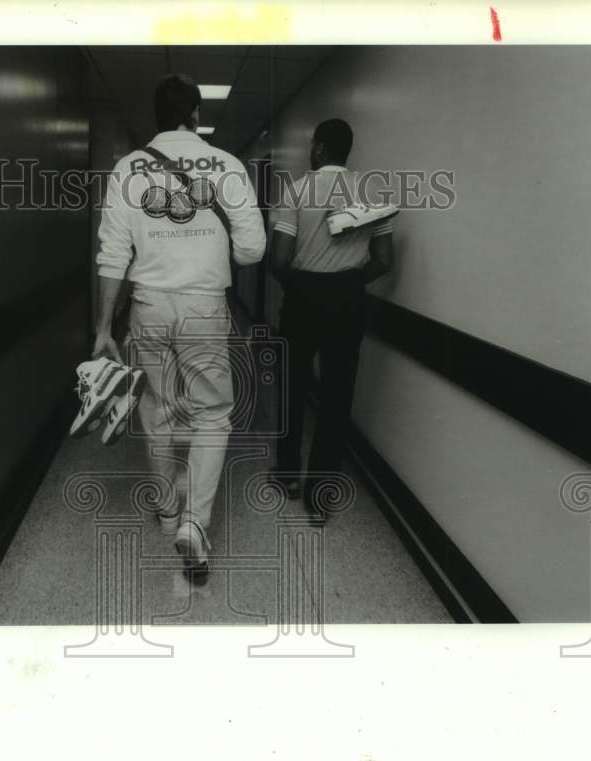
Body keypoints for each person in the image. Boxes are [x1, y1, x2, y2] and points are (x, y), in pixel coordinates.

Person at [92, 73, 266, 577]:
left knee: (157, 407)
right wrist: (217, 248)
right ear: (196, 115)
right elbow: (253, 249)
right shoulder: (228, 166)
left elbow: (112, 255)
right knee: (212, 413)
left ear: (156, 116)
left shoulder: (128, 168)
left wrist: (105, 327)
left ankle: (168, 512)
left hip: (147, 306)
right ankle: (195, 523)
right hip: (204, 307)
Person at [269, 118, 396, 521]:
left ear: (320, 149)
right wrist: (351, 280)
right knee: (338, 396)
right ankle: (320, 499)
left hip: (303, 298)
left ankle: (288, 474)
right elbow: (385, 260)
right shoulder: (374, 193)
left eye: (312, 146)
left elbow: (278, 260)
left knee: (293, 385)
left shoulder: (297, 190)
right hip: (348, 300)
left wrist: (302, 284)